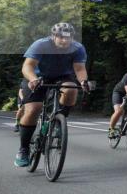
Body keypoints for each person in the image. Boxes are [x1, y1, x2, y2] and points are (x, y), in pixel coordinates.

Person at [15, 23, 89, 167]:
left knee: (71, 88)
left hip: (62, 76)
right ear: (53, 36)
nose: (64, 41)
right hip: (37, 77)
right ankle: (23, 149)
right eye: (60, 37)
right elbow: (27, 66)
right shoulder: (41, 45)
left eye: (67, 38)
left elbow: (79, 69)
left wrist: (84, 81)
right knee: (33, 109)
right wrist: (32, 79)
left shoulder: (78, 48)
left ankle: (58, 122)